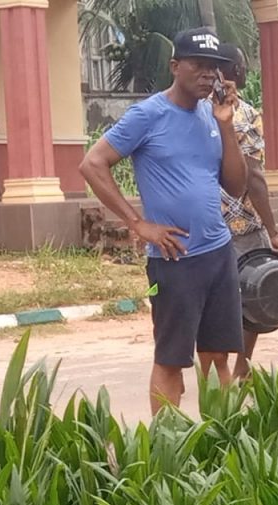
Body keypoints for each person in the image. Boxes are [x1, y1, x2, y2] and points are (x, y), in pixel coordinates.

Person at [79, 29, 248, 413]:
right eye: (199, 66)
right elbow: (92, 163)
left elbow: (235, 187)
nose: (208, 75)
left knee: (218, 356)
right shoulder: (148, 114)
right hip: (175, 259)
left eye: (214, 68)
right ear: (175, 66)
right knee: (172, 359)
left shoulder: (212, 115)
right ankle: (167, 448)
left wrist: (226, 123)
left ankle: (219, 441)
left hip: (218, 253)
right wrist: (137, 224)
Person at [218, 44, 278, 379]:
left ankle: (216, 367)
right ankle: (242, 365)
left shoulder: (190, 111)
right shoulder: (245, 114)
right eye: (244, 65)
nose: (247, 71)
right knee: (256, 292)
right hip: (243, 224)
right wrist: (274, 231)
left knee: (214, 298)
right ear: (232, 69)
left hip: (203, 224)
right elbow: (255, 178)